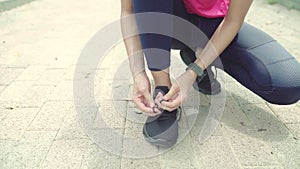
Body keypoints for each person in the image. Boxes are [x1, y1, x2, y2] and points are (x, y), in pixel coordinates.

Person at [121, 0, 300, 148]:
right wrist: (138, 73)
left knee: (288, 83)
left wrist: (194, 71)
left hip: (217, 26)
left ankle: (199, 59)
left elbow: (233, 21)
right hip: (169, 20)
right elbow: (129, 11)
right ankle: (164, 92)